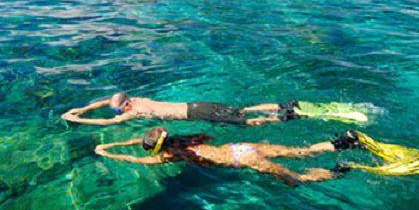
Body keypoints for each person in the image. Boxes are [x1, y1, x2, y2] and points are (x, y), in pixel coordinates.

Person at [95, 128, 419, 185]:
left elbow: (137, 160)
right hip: (247, 146)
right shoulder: (187, 140)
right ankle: (343, 142)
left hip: (245, 161)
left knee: (295, 179)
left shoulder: (170, 157)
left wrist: (105, 149)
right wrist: (125, 140)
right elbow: (151, 141)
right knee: (303, 150)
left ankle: (342, 169)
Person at [62, 91, 370, 126]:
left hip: (197, 114)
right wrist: (82, 107)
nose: (118, 114)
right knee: (242, 109)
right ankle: (284, 105)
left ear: (126, 107)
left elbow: (105, 122)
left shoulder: (135, 111)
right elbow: (106, 102)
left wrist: (76, 120)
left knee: (245, 122)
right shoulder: (136, 100)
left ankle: (287, 116)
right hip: (199, 103)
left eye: (120, 111)